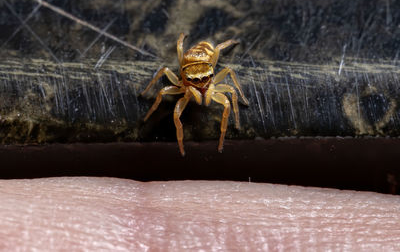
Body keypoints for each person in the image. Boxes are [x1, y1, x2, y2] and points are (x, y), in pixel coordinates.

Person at [1, 177, 399, 250]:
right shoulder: (186, 81)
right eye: (196, 84)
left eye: (208, 82)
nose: (204, 90)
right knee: (175, 112)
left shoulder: (214, 81)